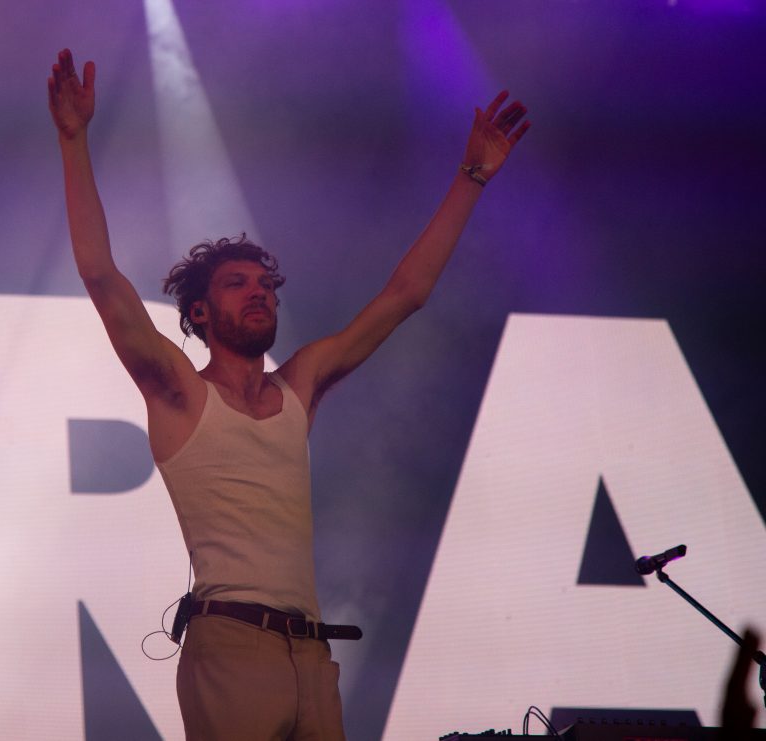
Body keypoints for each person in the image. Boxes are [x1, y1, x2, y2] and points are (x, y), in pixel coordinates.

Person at [48, 47, 529, 740]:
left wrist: (472, 175)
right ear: (201, 314)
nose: (259, 293)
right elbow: (100, 276)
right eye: (238, 284)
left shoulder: (299, 381)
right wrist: (73, 141)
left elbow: (405, 295)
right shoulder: (180, 392)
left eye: (266, 285)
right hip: (232, 645)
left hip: (312, 653)